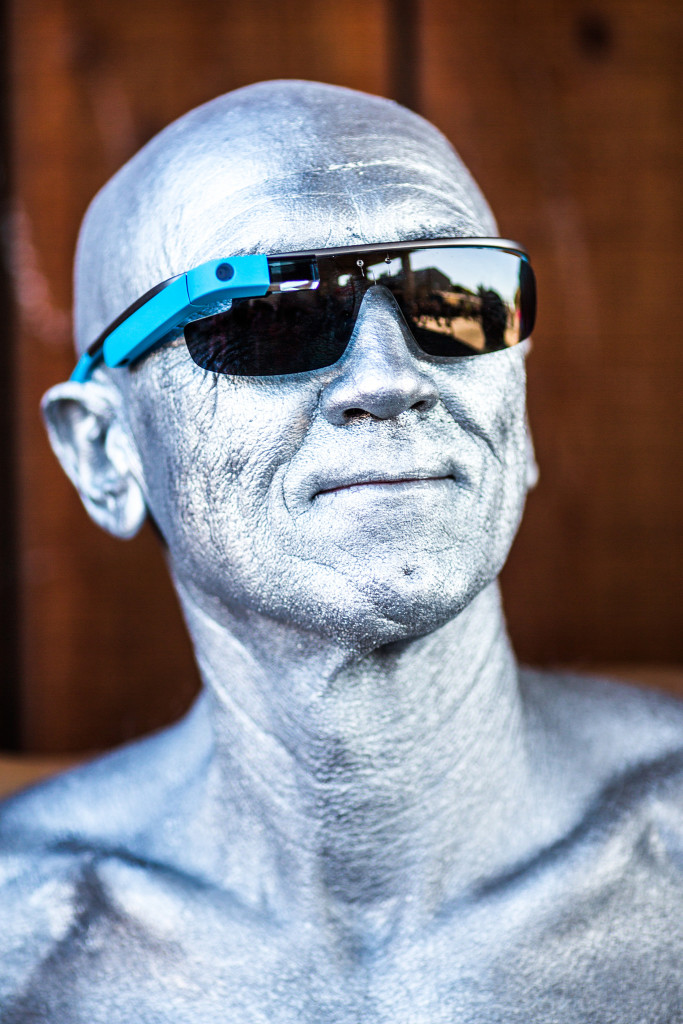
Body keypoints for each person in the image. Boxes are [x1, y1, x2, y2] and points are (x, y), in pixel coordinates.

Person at [1, 80, 682, 1023]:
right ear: (105, 453)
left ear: (514, 409)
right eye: (268, 315)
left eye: (454, 299)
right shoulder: (21, 947)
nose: (392, 377)